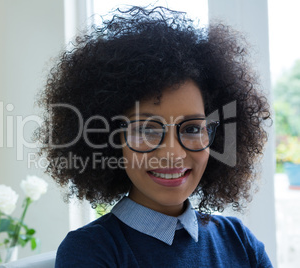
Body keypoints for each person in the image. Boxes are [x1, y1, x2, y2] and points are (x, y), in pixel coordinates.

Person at [39, 6, 273, 267]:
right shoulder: (91, 251)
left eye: (192, 128)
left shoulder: (238, 241)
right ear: (110, 139)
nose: (173, 153)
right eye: (146, 130)